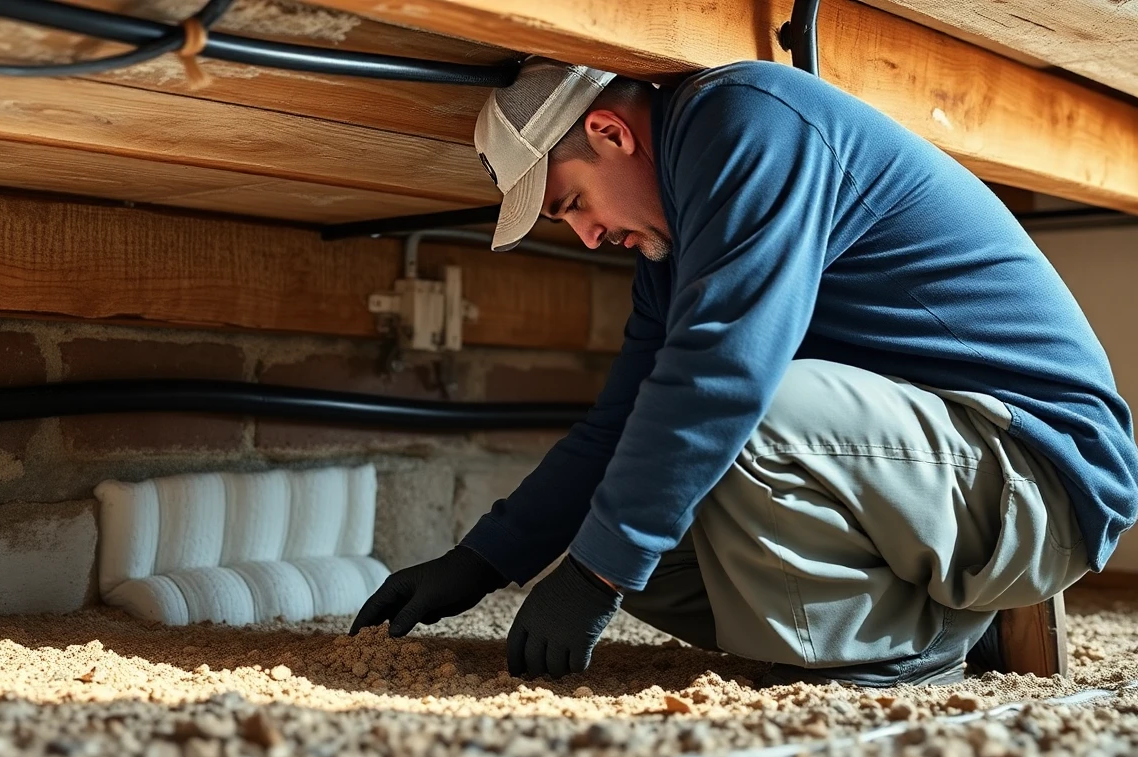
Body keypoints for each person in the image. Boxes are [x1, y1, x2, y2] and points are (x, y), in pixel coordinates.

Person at [348, 57, 1138, 686]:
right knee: (637, 515)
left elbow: (723, 375)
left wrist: (594, 577)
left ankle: (897, 649)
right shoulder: (675, 238)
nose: (587, 236)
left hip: (1039, 472)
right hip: (941, 475)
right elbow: (622, 425)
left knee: (736, 421)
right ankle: (926, 618)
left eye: (571, 203)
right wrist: (485, 560)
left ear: (611, 133)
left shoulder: (749, 120)